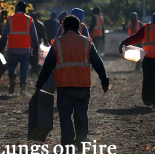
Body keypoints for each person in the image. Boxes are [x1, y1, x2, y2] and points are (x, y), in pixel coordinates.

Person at [35, 15, 109, 146]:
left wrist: (40, 83)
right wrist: (104, 80)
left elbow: (47, 66)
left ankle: (67, 142)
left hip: (64, 86)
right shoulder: (87, 42)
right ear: (78, 27)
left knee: (65, 115)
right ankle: (81, 140)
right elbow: (98, 63)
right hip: (82, 85)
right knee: (81, 113)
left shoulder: (57, 43)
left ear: (63, 26)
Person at [119, 12, 155, 108]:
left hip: (148, 58)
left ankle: (147, 100)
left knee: (148, 79)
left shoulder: (147, 28)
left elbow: (135, 37)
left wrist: (123, 43)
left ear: (153, 19)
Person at [0, 0, 39, 94]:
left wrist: (1, 47)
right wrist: (35, 49)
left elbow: (4, 35)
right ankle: (22, 89)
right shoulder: (29, 20)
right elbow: (34, 36)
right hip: (25, 49)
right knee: (24, 69)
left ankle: (12, 78)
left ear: (16, 8)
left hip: (12, 48)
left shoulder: (10, 19)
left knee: (11, 65)